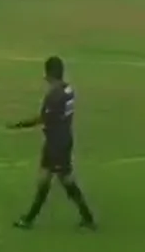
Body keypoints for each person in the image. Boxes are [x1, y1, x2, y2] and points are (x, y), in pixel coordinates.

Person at [8, 56, 96, 229]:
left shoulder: (53, 96)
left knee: (64, 181)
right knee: (46, 179)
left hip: (56, 145)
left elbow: (42, 118)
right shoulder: (69, 90)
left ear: (48, 74)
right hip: (61, 140)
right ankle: (29, 219)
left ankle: (87, 218)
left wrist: (20, 124)